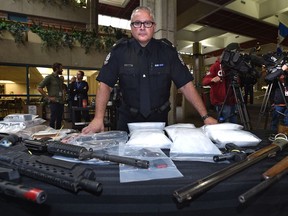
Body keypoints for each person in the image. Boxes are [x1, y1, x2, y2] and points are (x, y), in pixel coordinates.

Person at [82, 6, 217, 134]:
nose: (142, 27)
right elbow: (105, 85)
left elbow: (186, 86)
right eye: (137, 23)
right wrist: (98, 118)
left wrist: (205, 117)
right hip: (127, 121)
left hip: (158, 121)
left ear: (154, 27)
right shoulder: (119, 52)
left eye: (147, 23)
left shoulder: (168, 52)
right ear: (131, 27)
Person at [202, 44, 239, 123]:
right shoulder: (215, 66)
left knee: (234, 121)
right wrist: (212, 79)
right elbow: (204, 81)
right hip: (222, 101)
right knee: (226, 122)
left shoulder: (233, 67)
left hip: (233, 99)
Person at [37, 62, 64, 129]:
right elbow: (39, 88)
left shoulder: (59, 79)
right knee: (53, 118)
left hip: (60, 102)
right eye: (61, 68)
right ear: (57, 69)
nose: (62, 70)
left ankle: (58, 133)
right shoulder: (49, 77)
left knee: (59, 119)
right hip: (54, 102)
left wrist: (63, 98)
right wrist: (48, 98)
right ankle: (51, 133)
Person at [270, 64, 288, 132]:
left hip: (286, 104)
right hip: (278, 105)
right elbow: (268, 78)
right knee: (275, 121)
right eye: (281, 74)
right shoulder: (275, 82)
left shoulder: (286, 81)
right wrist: (281, 70)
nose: (282, 75)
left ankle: (285, 134)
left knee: (287, 121)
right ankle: (273, 133)